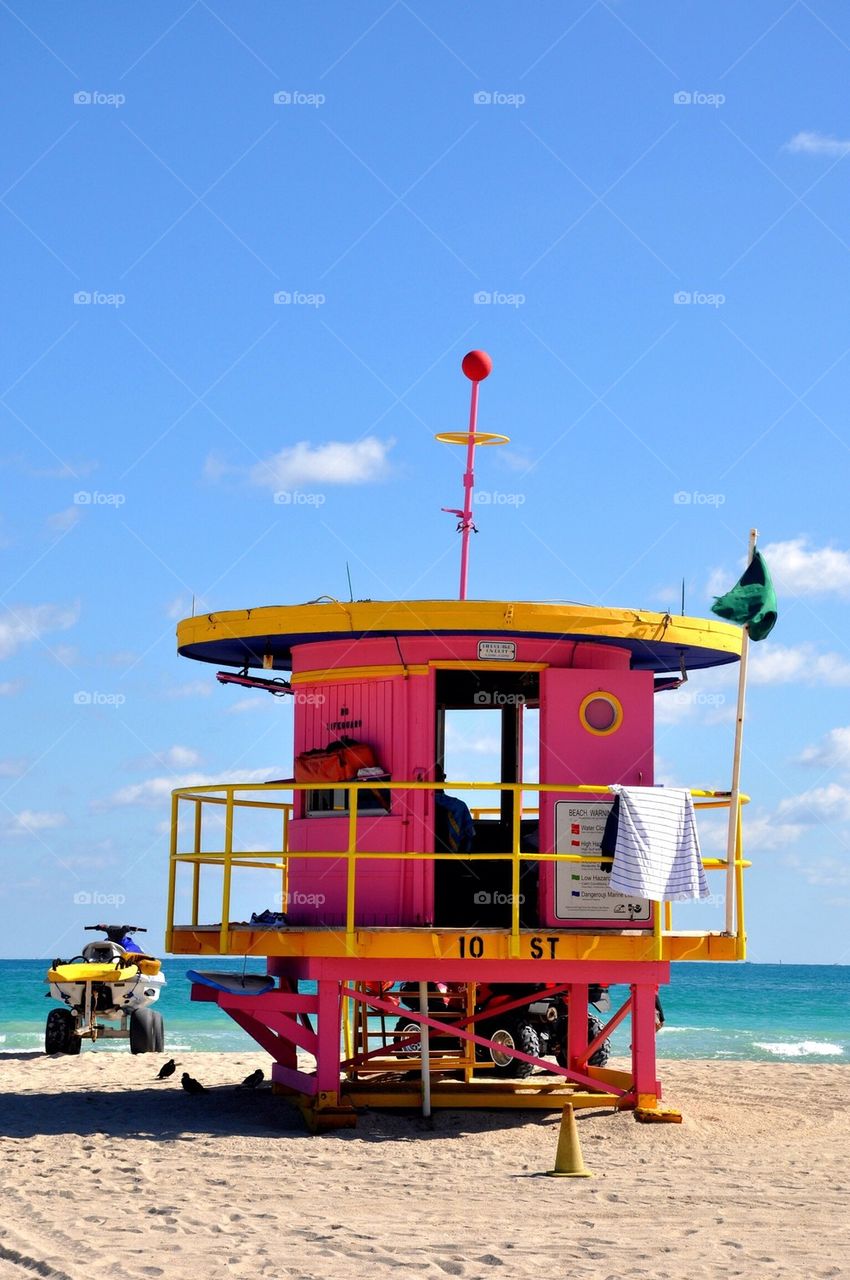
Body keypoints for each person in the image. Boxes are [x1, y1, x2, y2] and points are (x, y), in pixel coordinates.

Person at [433, 765, 475, 853]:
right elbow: (470, 835)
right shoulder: (459, 806)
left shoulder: (418, 807)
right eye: (442, 777)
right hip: (454, 855)